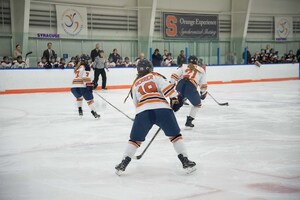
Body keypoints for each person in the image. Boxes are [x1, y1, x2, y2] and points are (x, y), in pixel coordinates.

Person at [115, 59, 196, 175]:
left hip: (142, 111)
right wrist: (175, 100)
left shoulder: (135, 84)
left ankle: (123, 164)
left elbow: (136, 103)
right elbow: (168, 89)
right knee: (175, 136)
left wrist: (140, 116)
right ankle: (185, 161)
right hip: (162, 108)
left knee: (134, 140)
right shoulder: (155, 75)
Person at [170, 55, 208, 128]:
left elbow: (174, 75)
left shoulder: (184, 66)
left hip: (180, 85)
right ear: (196, 62)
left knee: (176, 105)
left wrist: (172, 84)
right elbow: (203, 84)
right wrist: (203, 93)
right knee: (197, 104)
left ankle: (168, 120)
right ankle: (189, 121)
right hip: (191, 87)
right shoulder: (201, 69)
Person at [71, 54, 100, 119]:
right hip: (82, 86)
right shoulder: (87, 67)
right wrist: (92, 84)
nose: (89, 61)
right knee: (90, 100)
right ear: (86, 60)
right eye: (88, 60)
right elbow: (85, 78)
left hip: (73, 87)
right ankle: (94, 112)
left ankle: (80, 110)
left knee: (79, 97)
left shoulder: (78, 67)